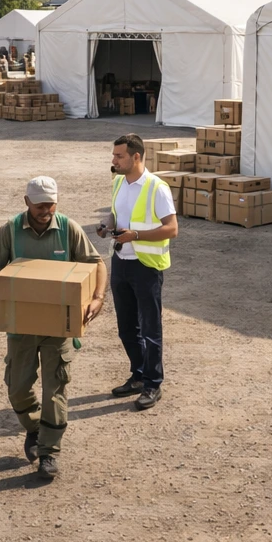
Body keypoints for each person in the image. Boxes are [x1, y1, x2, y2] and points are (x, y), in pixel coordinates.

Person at [0, 176, 107, 480]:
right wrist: (7, 286)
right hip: (22, 325)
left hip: (59, 328)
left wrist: (98, 298)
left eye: (51, 204)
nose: (46, 210)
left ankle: (49, 453)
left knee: (55, 391)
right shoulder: (10, 231)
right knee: (17, 389)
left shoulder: (68, 228)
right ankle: (36, 429)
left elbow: (96, 263)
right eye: (40, 205)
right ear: (26, 202)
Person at [98, 133, 178, 410]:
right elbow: (114, 213)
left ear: (136, 156)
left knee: (150, 328)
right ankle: (138, 374)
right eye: (114, 155)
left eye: (119, 156)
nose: (114, 160)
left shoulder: (158, 188)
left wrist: (136, 236)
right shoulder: (118, 181)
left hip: (146, 266)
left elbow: (172, 228)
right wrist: (106, 225)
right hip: (120, 262)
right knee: (126, 327)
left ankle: (153, 384)